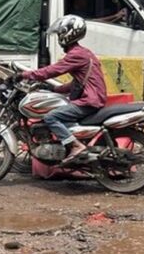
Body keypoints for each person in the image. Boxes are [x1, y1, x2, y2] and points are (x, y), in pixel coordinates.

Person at [17, 15, 107, 164]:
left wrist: (23, 75)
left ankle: (76, 145)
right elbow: (78, 82)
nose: (59, 38)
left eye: (60, 33)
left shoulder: (76, 55)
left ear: (68, 34)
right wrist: (56, 89)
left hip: (89, 101)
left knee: (50, 117)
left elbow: (50, 71)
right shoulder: (84, 52)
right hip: (92, 98)